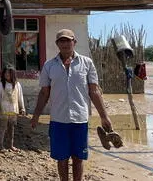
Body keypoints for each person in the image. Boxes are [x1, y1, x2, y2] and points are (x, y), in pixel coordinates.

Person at [31, 29, 113, 181]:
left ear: (74, 42)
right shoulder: (49, 66)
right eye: (62, 41)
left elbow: (94, 91)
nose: (65, 44)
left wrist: (104, 116)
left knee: (78, 157)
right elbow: (44, 93)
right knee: (61, 158)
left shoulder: (87, 63)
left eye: (68, 40)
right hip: (58, 120)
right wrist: (36, 115)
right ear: (57, 44)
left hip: (80, 120)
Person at [0, 65, 25, 151]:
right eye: (5, 73)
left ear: (13, 74)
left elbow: (20, 97)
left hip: (13, 109)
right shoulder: (1, 85)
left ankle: (10, 145)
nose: (7, 74)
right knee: (3, 127)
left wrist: (22, 108)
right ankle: (1, 145)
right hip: (3, 109)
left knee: (11, 127)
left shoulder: (17, 85)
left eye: (9, 73)